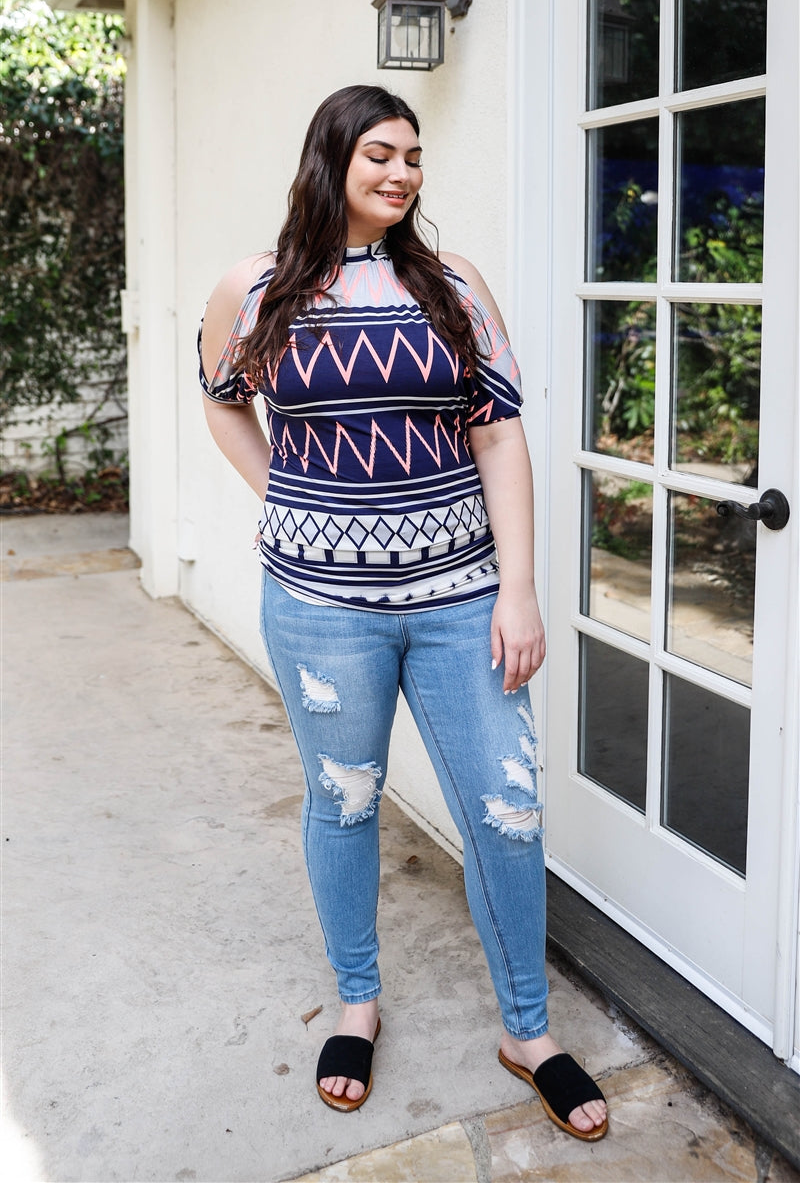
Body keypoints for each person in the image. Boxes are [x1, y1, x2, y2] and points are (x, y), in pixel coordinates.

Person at [199, 84, 608, 1141]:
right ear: (329, 157)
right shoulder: (252, 287)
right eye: (379, 152)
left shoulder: (450, 285)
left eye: (413, 156)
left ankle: (527, 1031)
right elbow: (219, 398)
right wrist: (279, 499)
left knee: (506, 812)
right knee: (343, 802)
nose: (401, 173)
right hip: (317, 608)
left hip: (461, 599)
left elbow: (500, 438)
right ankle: (356, 1002)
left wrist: (516, 587)